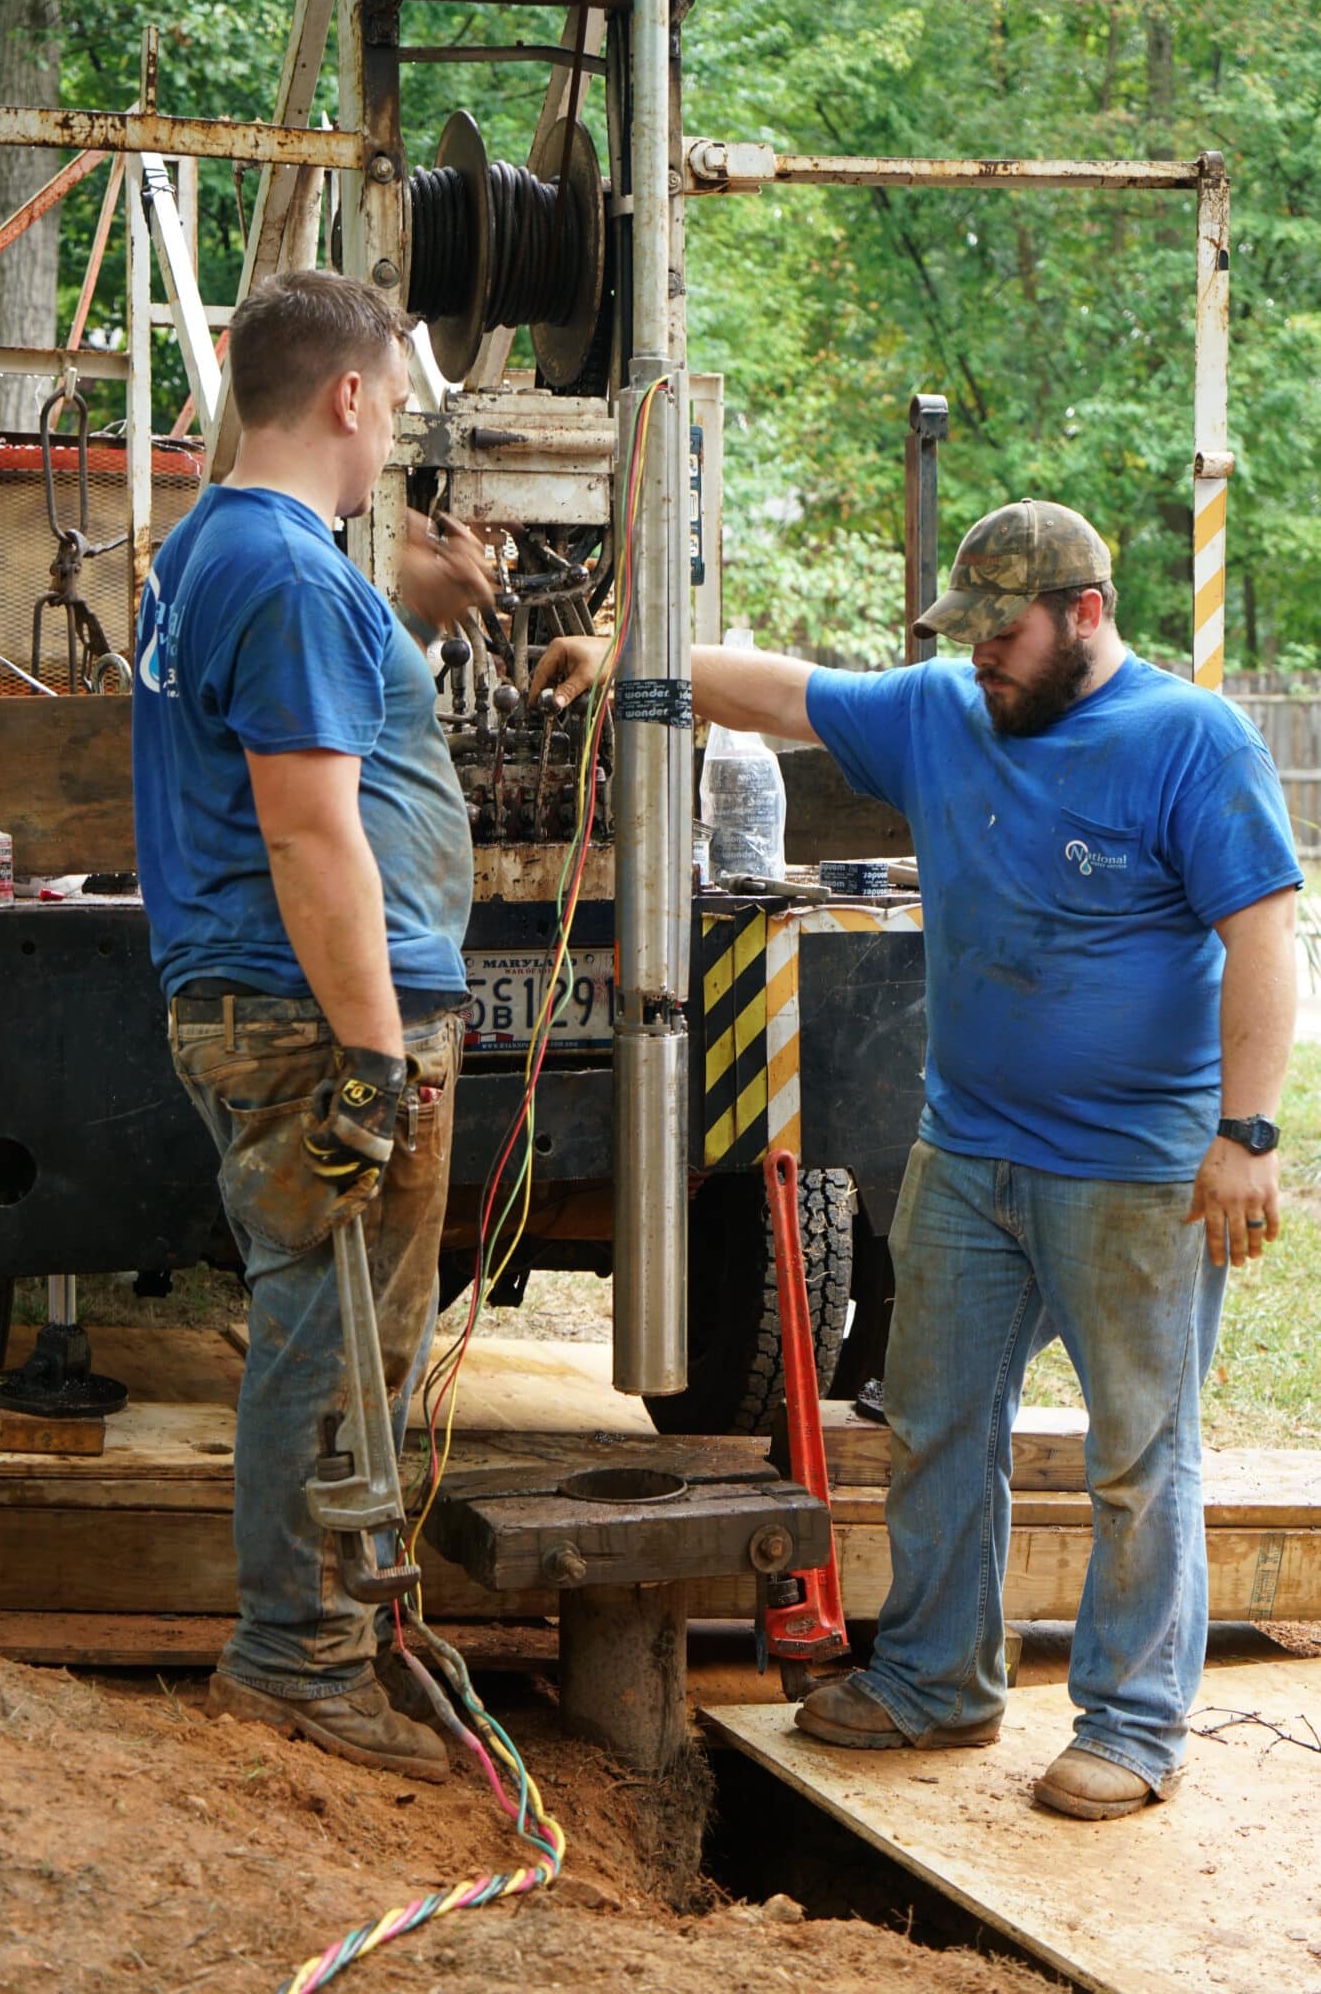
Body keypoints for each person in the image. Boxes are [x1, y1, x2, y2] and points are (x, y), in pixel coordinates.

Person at [532, 498, 1301, 1820]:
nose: (983, 658)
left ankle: (1129, 1726)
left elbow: (1263, 939)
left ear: (1085, 616)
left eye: (1004, 636)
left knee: (1137, 1449)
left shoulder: (1187, 741)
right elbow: (783, 690)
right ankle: (938, 1679)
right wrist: (626, 659)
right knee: (937, 1421)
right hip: (967, 1152)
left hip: (1135, 1167)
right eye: (970, 635)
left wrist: (1243, 1137)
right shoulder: (946, 709)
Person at [132, 269, 494, 1779]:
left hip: (272, 1005)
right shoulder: (282, 574)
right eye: (393, 399)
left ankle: (341, 1628)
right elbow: (307, 833)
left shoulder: (229, 550)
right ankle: (297, 1657)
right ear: (347, 395)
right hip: (311, 1020)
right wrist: (370, 1051)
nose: (393, 425)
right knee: (337, 1335)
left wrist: (399, 612)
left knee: (334, 1323)